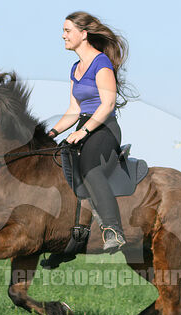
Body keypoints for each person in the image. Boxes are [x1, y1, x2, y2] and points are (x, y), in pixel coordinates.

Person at [48, 11, 133, 253]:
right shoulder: (75, 68)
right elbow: (74, 110)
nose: (63, 35)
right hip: (83, 126)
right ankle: (73, 237)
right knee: (61, 168)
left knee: (89, 168)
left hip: (104, 128)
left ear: (83, 34)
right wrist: (52, 133)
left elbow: (107, 105)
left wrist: (84, 131)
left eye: (67, 31)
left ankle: (112, 230)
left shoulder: (101, 63)